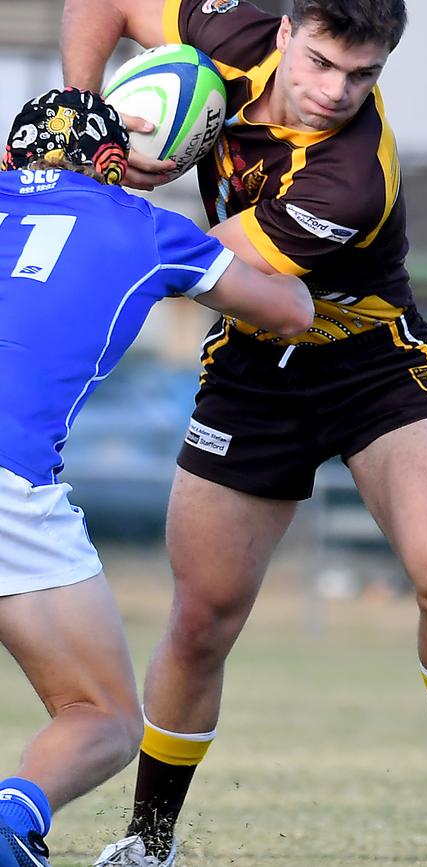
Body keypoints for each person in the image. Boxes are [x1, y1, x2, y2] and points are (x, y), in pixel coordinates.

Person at [61, 1, 427, 863]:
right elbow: (100, 3)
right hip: (254, 370)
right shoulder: (232, 33)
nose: (337, 91)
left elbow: (189, 264)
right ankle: (149, 838)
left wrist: (85, 182)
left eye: (365, 75)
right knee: (203, 616)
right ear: (284, 31)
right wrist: (80, 111)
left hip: (368, 359)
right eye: (322, 62)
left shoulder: (350, 176)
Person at [0, 85, 313, 867]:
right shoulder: (143, 225)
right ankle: (10, 823)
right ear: (115, 165)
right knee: (102, 716)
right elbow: (291, 312)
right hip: (7, 483)